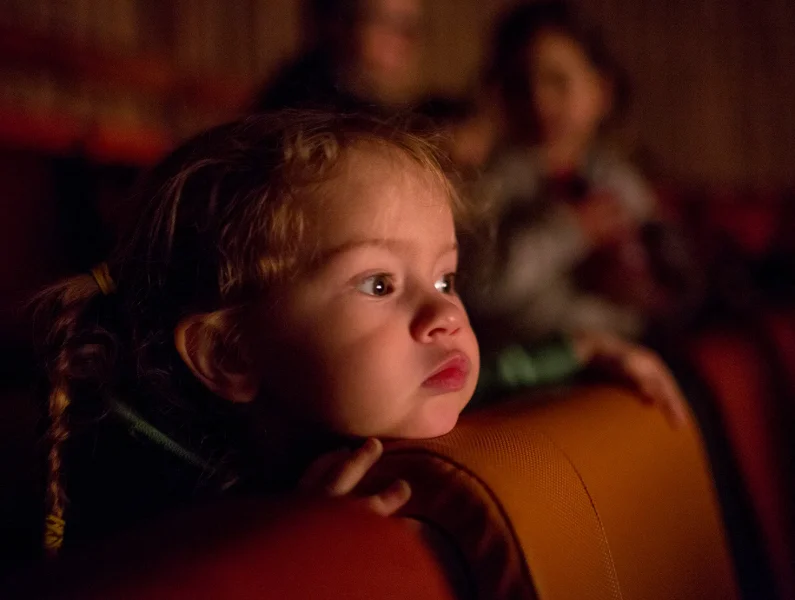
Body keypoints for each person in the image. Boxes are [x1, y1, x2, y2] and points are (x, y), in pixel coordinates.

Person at [32, 110, 685, 558]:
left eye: (445, 279)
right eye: (377, 285)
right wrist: (284, 552)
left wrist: (575, 351)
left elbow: (478, 376)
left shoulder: (341, 397)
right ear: (229, 354)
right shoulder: (153, 514)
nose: (447, 318)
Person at [464, 1, 699, 349]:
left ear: (601, 92)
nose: (539, 100)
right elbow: (480, 289)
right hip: (537, 363)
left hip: (626, 350)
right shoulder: (490, 186)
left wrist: (645, 288)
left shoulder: (620, 182)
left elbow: (670, 286)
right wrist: (571, 229)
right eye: (519, 84)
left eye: (557, 81)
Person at [251, 0, 424, 115]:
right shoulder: (300, 110)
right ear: (337, 26)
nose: (408, 41)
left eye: (412, 26)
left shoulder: (383, 107)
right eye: (391, 22)